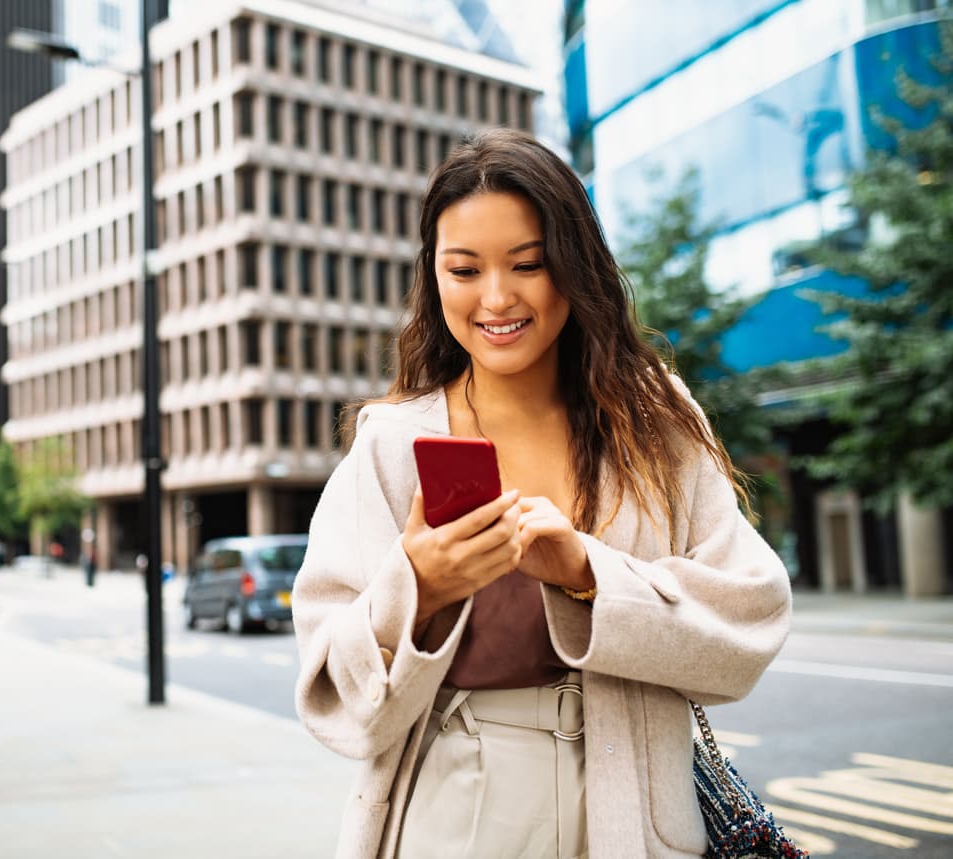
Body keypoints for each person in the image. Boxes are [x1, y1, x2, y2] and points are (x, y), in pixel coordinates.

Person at [291, 129, 793, 859]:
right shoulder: (392, 442)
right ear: (433, 275)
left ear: (574, 265)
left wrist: (586, 574)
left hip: (634, 816)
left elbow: (751, 620)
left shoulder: (654, 419)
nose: (496, 298)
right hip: (452, 812)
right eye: (463, 269)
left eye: (527, 264)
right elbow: (335, 700)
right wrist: (420, 589)